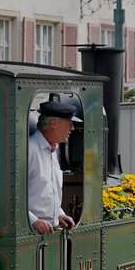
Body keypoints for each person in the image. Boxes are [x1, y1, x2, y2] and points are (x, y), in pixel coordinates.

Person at [28, 100, 79, 234]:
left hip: (46, 232)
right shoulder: (29, 150)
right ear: (53, 123)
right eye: (69, 123)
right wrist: (33, 221)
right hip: (30, 231)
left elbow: (46, 191)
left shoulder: (52, 149)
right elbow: (9, 195)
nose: (72, 128)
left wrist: (59, 214)